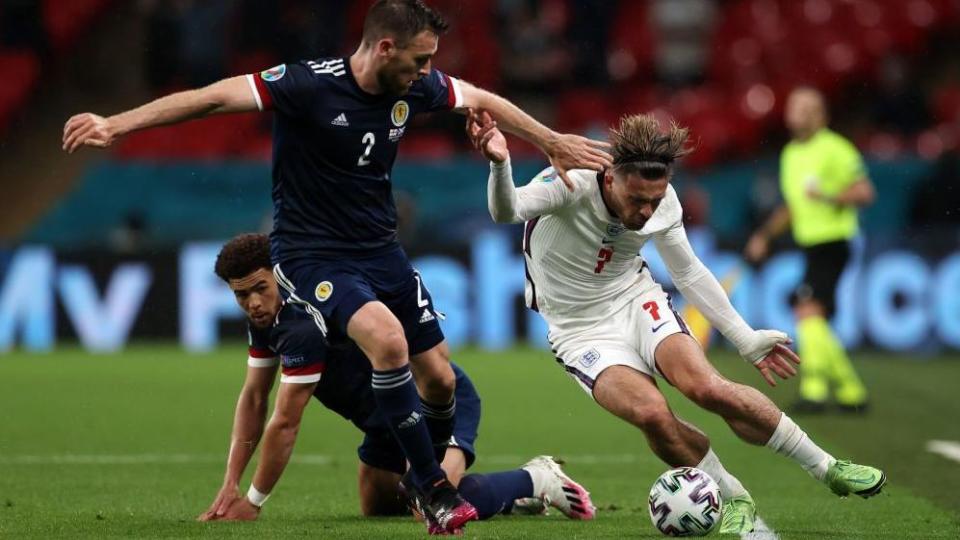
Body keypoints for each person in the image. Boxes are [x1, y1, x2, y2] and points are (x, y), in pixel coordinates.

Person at [61, 0, 610, 532]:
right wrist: (116, 125)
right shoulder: (305, 84)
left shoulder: (414, 86)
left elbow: (478, 96)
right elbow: (209, 99)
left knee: (439, 382)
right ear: (385, 46)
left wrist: (549, 140)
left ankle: (445, 479)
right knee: (388, 342)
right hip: (312, 254)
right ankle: (437, 491)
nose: (428, 72)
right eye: (420, 60)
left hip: (381, 251)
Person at [468, 110, 886, 535]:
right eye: (638, 200)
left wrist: (745, 338)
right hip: (577, 330)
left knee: (707, 387)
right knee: (651, 413)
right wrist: (499, 164)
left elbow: (688, 272)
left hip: (634, 299)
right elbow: (507, 211)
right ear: (611, 178)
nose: (648, 211)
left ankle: (827, 466)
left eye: (656, 199)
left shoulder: (662, 201)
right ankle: (733, 496)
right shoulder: (569, 181)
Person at [199, 233, 596, 531]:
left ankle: (536, 478)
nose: (252, 303)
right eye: (241, 296)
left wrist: (253, 500)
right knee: (377, 507)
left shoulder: (303, 325)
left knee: (428, 500)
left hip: (430, 404)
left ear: (279, 277)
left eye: (259, 289)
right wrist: (229, 483)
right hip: (382, 423)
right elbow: (254, 399)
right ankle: (511, 501)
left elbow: (285, 421)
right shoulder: (268, 322)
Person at [745, 87, 875, 414]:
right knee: (812, 316)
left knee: (807, 309)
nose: (795, 113)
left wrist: (830, 198)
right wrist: (764, 236)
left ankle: (815, 390)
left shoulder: (836, 148)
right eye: (793, 107)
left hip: (834, 241)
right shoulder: (790, 154)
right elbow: (792, 206)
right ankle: (851, 391)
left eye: (804, 108)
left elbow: (864, 192)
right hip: (811, 245)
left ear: (820, 114)